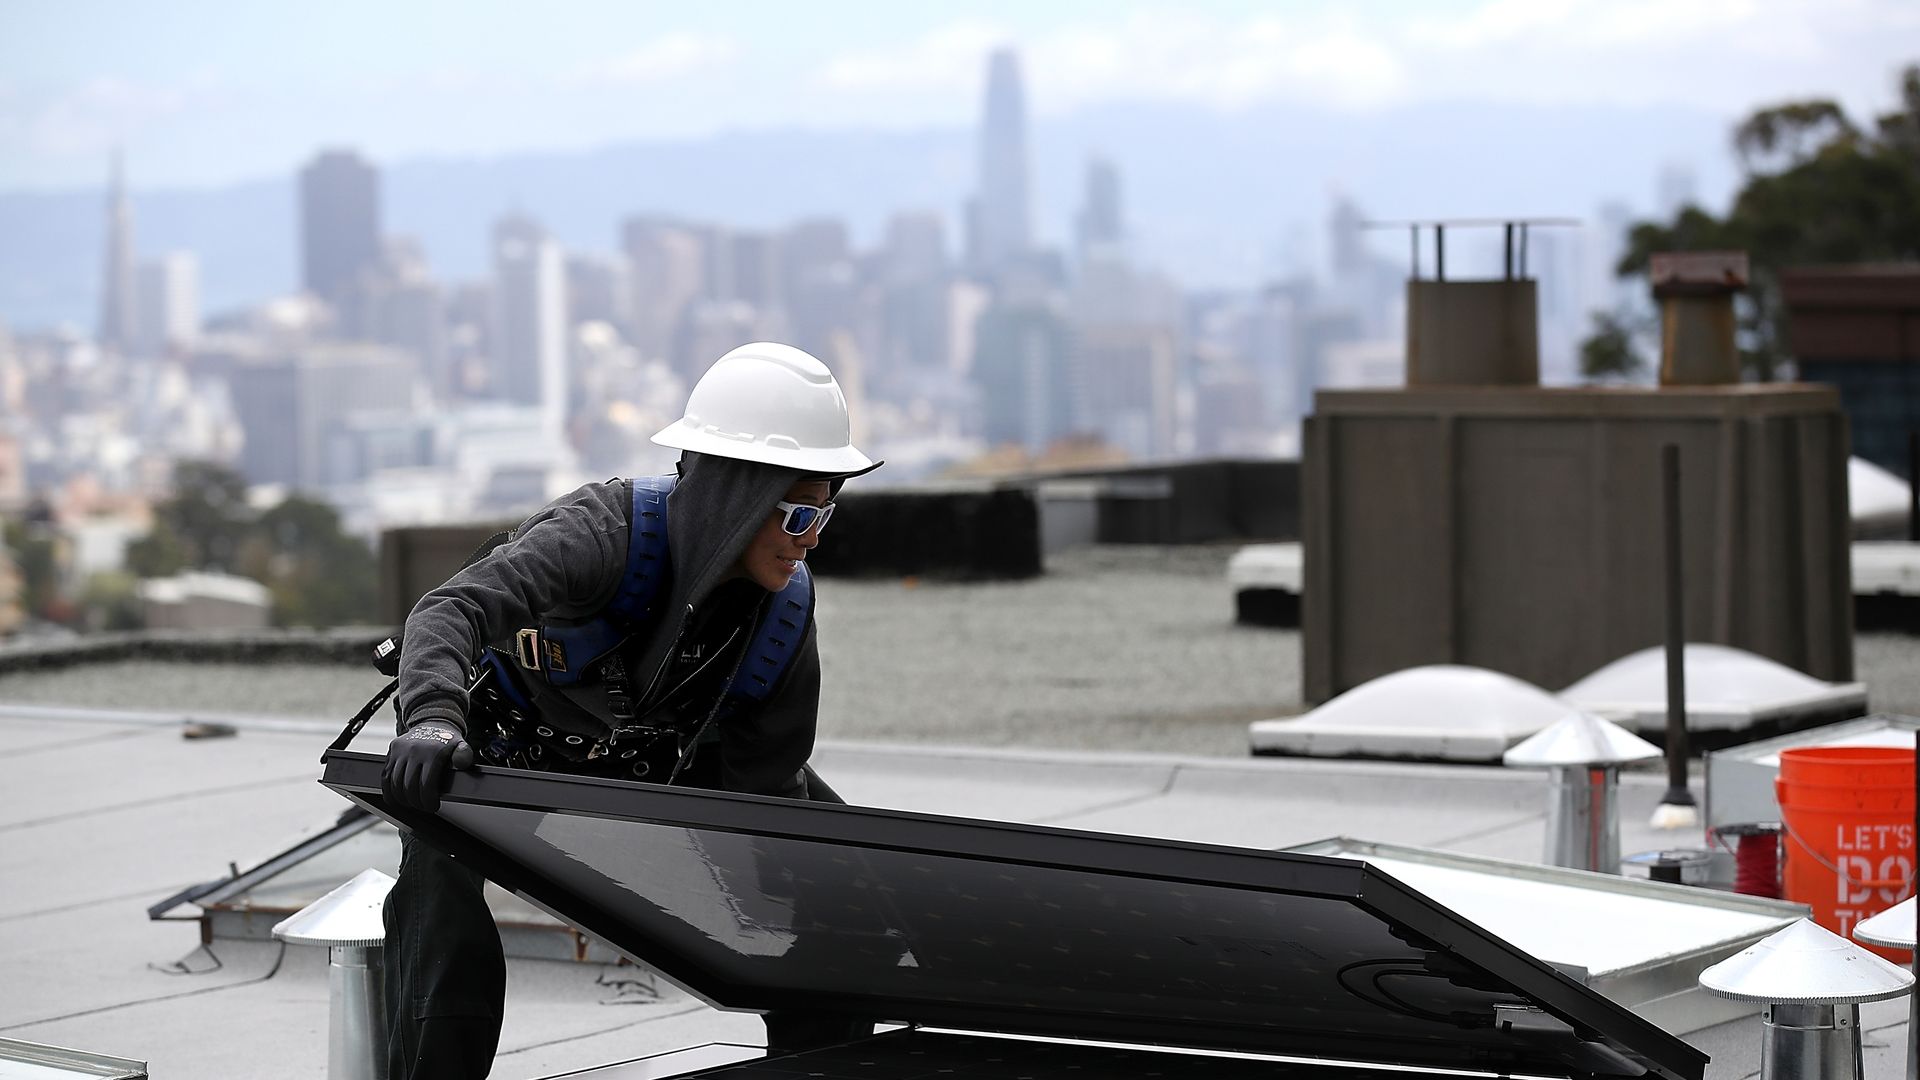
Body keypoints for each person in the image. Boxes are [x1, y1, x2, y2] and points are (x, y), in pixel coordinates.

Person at [379, 341, 879, 1079]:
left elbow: (768, 793)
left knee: (844, 893)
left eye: (823, 517)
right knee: (439, 898)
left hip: (654, 763)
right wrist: (432, 720)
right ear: (736, 495)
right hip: (495, 751)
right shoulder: (601, 534)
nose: (807, 543)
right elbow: (447, 611)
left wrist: (813, 904)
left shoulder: (782, 616)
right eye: (797, 516)